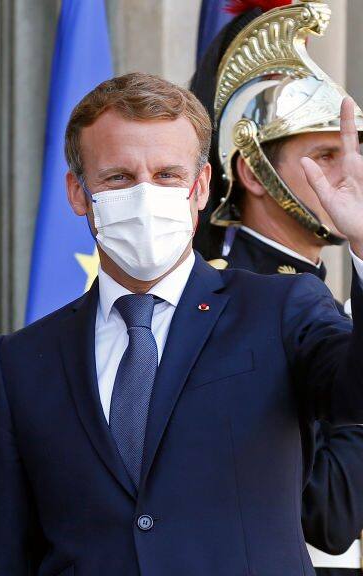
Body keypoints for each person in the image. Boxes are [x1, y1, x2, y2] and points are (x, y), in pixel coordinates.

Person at [0, 71, 363, 575]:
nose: (145, 196)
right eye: (118, 177)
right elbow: (9, 548)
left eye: (167, 175)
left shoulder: (280, 308)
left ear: (201, 186)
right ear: (79, 193)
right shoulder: (22, 360)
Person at [189, 2, 363, 573]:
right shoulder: (234, 306)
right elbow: (332, 513)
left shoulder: (327, 292)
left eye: (355, 153)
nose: (349, 175)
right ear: (252, 171)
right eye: (324, 156)